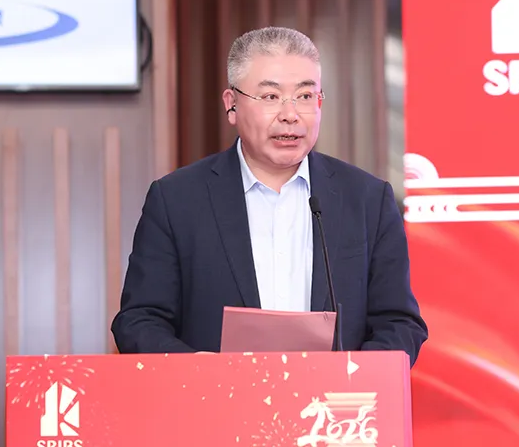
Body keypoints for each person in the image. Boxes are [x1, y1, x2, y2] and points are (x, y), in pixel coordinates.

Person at [111, 26, 428, 366]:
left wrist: (356, 376)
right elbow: (139, 321)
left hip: (336, 399)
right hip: (215, 397)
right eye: (271, 97)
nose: (290, 114)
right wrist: (199, 370)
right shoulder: (177, 200)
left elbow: (399, 323)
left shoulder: (367, 200)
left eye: (305, 96)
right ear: (232, 105)